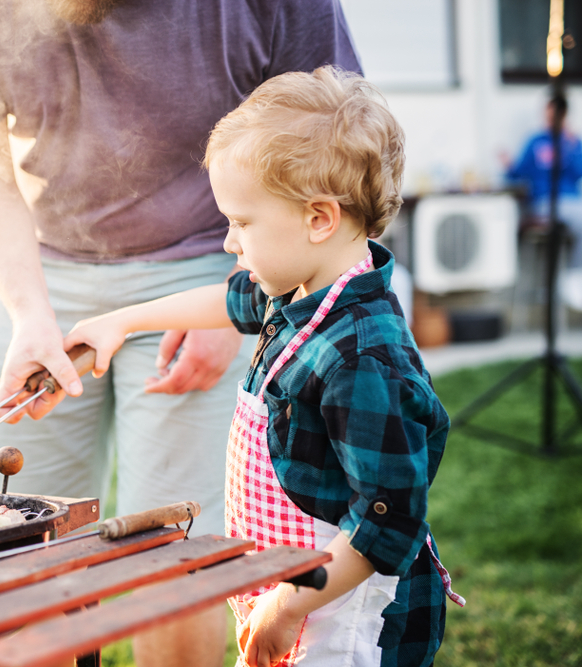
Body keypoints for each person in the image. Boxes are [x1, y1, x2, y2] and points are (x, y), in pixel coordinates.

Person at [0, 2, 360, 664]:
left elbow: (332, 142)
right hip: (38, 267)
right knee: (22, 543)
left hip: (213, 255)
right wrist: (28, 310)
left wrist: (248, 299)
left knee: (176, 550)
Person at [62, 66, 464, 667]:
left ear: (319, 218)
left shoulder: (363, 360)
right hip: (295, 584)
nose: (229, 241)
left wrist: (287, 605)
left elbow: (389, 522)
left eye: (242, 222)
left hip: (350, 616)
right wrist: (124, 321)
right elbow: (226, 302)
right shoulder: (301, 288)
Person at [503, 96, 582, 308]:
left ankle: (572, 277)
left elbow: (578, 173)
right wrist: (507, 165)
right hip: (544, 203)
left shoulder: (573, 142)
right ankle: (572, 278)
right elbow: (518, 173)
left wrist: (571, 145)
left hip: (571, 201)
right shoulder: (535, 141)